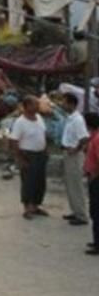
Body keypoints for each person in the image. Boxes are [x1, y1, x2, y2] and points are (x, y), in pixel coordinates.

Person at [10, 95, 49, 219]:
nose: (37, 106)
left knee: (40, 182)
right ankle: (27, 208)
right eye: (34, 104)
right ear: (26, 106)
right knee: (28, 182)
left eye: (37, 104)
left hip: (41, 154)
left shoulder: (39, 118)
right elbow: (14, 141)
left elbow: (43, 134)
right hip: (28, 154)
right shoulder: (20, 122)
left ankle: (35, 206)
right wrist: (20, 159)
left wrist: (46, 150)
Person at [61, 93, 91, 226]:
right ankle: (75, 210)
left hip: (74, 155)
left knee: (76, 185)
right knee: (70, 184)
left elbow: (84, 138)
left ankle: (81, 215)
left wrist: (76, 149)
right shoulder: (70, 118)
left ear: (71, 104)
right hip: (68, 152)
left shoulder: (78, 120)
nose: (63, 105)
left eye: (65, 102)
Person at [83, 112, 99, 253]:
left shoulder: (97, 138)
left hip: (96, 179)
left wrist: (94, 175)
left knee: (96, 211)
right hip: (93, 176)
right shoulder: (94, 137)